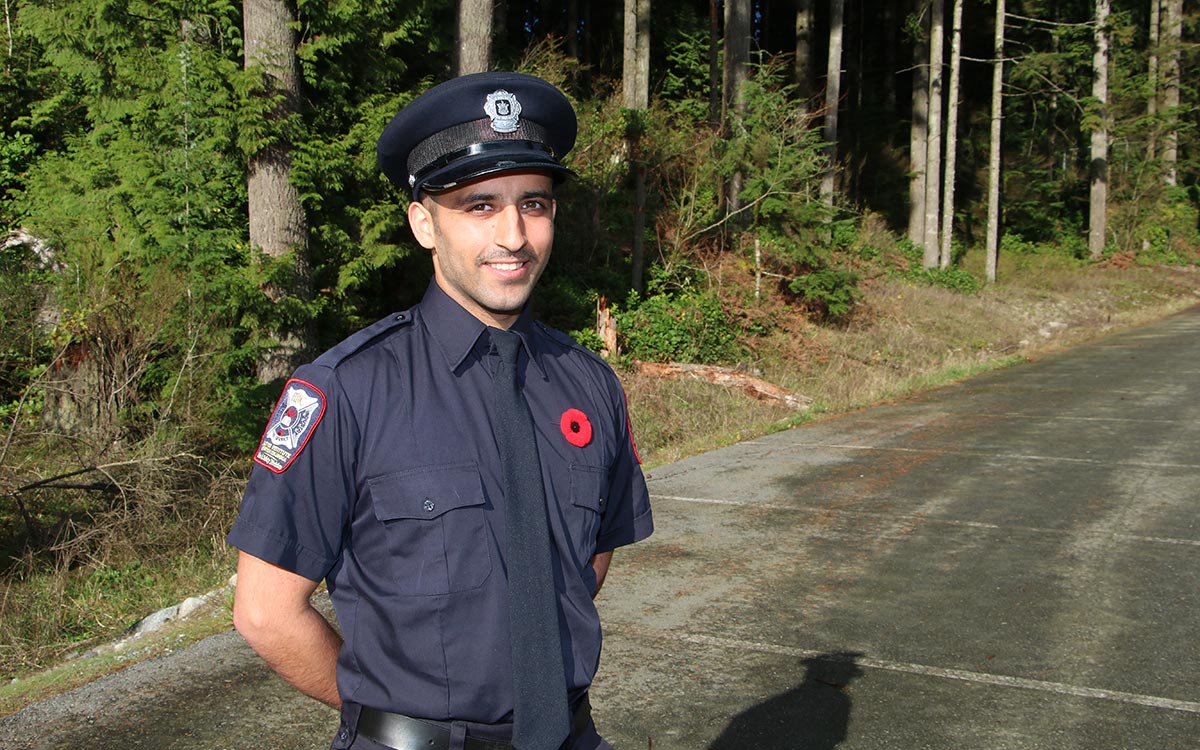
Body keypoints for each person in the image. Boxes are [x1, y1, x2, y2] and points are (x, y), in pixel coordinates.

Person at [227, 71, 654, 750]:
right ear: (424, 222)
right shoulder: (346, 392)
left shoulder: (589, 384)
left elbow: (588, 557)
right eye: (479, 205)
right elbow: (264, 612)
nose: (513, 235)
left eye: (534, 204)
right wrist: (387, 709)